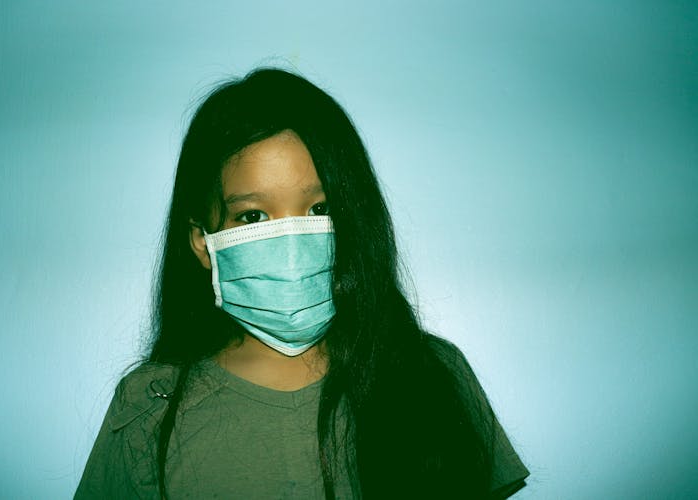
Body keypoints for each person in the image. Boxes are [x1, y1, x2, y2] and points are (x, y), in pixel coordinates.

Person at [75, 68, 529, 499]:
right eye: (253, 216)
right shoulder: (149, 406)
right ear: (202, 241)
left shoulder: (434, 376)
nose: (292, 243)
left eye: (318, 210)